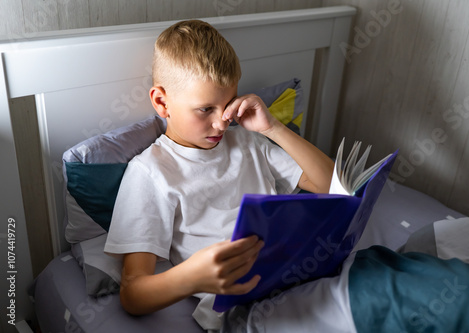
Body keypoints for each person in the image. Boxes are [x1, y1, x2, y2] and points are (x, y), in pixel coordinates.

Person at [104, 19, 335, 331]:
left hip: (301, 273)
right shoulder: (150, 173)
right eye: (205, 110)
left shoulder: (249, 142)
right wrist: (193, 277)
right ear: (162, 102)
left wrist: (273, 128)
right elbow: (133, 294)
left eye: (227, 105)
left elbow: (333, 185)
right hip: (248, 304)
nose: (221, 124)